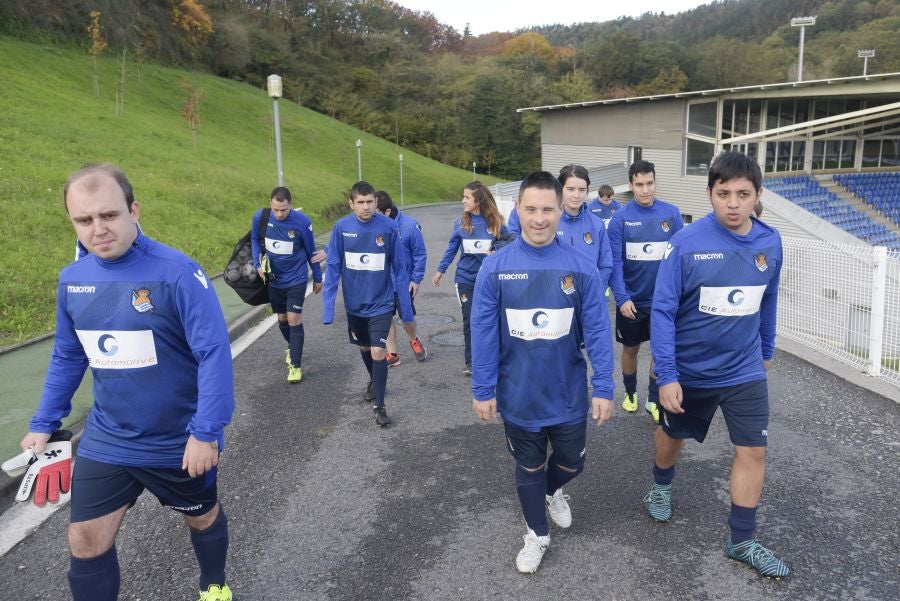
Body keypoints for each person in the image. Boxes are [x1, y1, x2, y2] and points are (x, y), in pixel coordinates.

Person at [19, 164, 235, 601]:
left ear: (133, 210)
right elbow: (68, 353)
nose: (97, 229)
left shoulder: (176, 272)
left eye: (109, 216)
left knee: (202, 517)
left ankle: (213, 584)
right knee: (84, 539)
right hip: (108, 438)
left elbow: (213, 353)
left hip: (177, 439)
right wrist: (44, 421)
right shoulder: (72, 280)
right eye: (84, 220)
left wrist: (205, 432)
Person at [644, 151, 788, 578]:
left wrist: (765, 350)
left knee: (754, 451)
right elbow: (664, 311)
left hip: (743, 370)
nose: (733, 203)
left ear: (757, 195)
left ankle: (741, 539)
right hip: (689, 373)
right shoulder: (686, 243)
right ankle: (660, 487)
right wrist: (668, 374)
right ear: (710, 194)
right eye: (723, 193)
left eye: (743, 194)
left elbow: (768, 299)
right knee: (673, 438)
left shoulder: (770, 242)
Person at [471, 171, 615, 574]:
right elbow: (482, 334)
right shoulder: (495, 268)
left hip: (567, 394)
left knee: (573, 462)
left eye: (547, 209)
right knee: (528, 466)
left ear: (561, 210)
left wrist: (603, 385)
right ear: (517, 210)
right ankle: (537, 534)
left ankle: (553, 492)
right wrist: (483, 389)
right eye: (530, 209)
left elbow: (599, 332)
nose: (539, 218)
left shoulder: (581, 267)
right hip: (518, 395)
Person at [322, 181, 413, 427]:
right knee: (365, 350)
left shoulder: (389, 227)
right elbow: (333, 267)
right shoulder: (341, 228)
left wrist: (405, 309)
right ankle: (375, 378)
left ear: (375, 202)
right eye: (360, 202)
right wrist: (328, 308)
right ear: (351, 204)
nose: (366, 207)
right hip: (355, 305)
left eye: (370, 202)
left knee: (378, 351)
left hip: (382, 304)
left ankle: (379, 406)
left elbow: (400, 269)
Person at [607, 160, 684, 423]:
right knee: (631, 349)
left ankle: (653, 398)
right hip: (633, 301)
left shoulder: (671, 214)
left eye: (649, 183)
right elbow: (615, 263)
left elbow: (679, 259)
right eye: (639, 184)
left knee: (660, 351)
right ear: (631, 185)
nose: (645, 189)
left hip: (664, 302)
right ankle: (630, 393)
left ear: (655, 182)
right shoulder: (620, 219)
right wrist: (622, 297)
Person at [432, 181, 508, 375]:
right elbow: (451, 248)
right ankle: (472, 362)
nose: (462, 200)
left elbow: (509, 242)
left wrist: (496, 249)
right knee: (470, 320)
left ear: (478, 200)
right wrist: (441, 270)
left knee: (492, 319)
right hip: (465, 279)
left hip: (491, 280)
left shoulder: (496, 221)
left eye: (467, 197)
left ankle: (494, 358)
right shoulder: (460, 223)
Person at [251, 186, 323, 383]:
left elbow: (311, 251)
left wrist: (317, 277)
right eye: (275, 209)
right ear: (270, 204)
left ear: (291, 205)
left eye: (283, 209)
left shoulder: (303, 222)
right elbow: (255, 240)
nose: (279, 213)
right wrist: (257, 264)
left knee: (293, 319)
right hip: (273, 279)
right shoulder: (261, 217)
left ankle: (295, 366)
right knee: (282, 318)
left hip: (296, 279)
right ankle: (292, 345)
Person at [375, 191, 428, 367]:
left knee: (407, 318)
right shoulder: (374, 225)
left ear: (387, 212)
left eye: (376, 212)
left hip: (403, 284)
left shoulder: (410, 226)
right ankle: (392, 353)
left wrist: (416, 279)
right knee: (385, 317)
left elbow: (420, 254)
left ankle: (413, 339)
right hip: (382, 283)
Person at [554, 164, 613, 289]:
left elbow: (605, 265)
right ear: (560, 189)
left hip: (588, 298)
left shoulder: (596, 224)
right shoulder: (548, 221)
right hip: (555, 300)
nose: (577, 195)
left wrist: (596, 292)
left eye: (582, 190)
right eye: (570, 189)